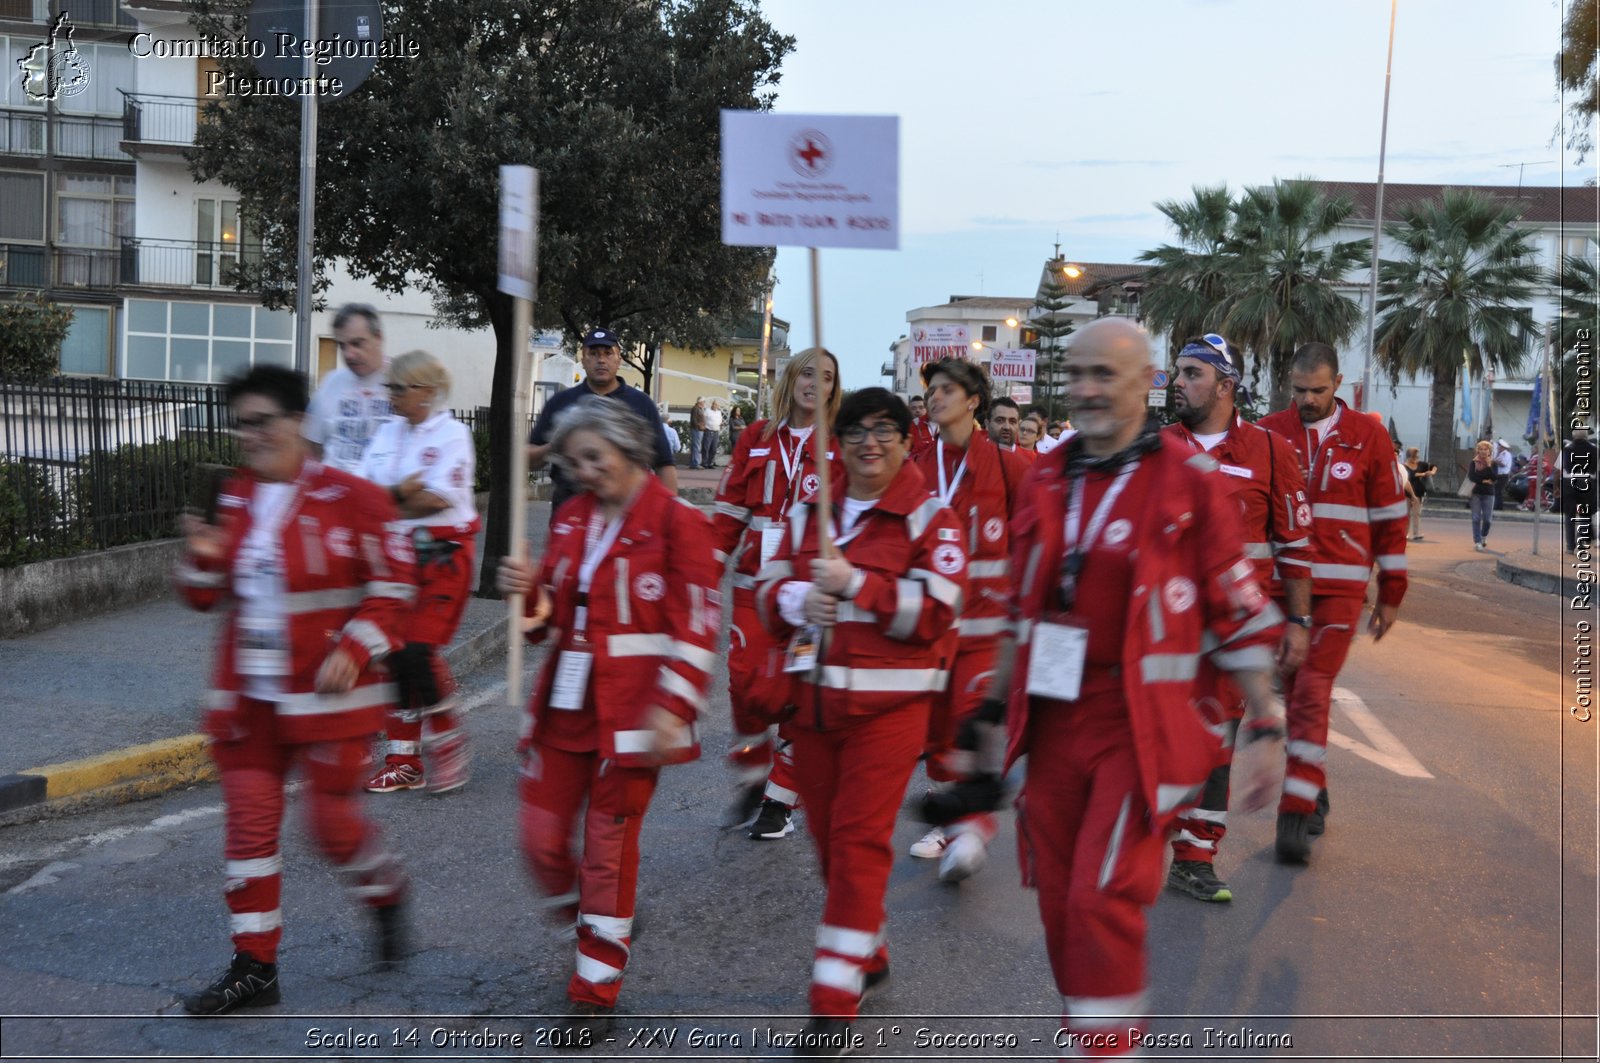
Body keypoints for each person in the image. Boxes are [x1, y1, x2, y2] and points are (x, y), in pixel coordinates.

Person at [1002, 318, 1284, 1055]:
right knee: (1062, 905)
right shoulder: (1044, 474)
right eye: (1080, 373)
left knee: (1102, 897)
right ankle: (1094, 1029)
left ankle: (1107, 1048)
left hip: (1140, 729)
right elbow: (1015, 606)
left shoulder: (1187, 480)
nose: (1090, 389)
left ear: (1145, 382)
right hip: (1053, 723)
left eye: (1108, 375)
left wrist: (1269, 723)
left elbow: (1239, 606)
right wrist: (980, 721)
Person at [174, 365, 415, 1015]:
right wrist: (199, 554)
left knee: (331, 825)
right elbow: (201, 597)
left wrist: (356, 646)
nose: (250, 436)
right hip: (249, 699)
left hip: (329, 697)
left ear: (300, 422)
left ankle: (384, 890)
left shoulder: (354, 496)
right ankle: (255, 967)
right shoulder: (235, 497)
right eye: (241, 424)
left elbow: (395, 584)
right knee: (249, 829)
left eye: (263, 421)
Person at [497, 397, 720, 1030]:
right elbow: (546, 623)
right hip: (566, 705)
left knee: (607, 851)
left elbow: (697, 631)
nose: (584, 471)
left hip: (637, 713)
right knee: (541, 842)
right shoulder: (569, 517)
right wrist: (527, 594)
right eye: (573, 462)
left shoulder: (681, 524)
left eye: (594, 458)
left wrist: (672, 709)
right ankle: (602, 920)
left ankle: (595, 987)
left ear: (631, 449)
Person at [755, 388, 966, 1050]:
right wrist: (793, 598)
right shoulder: (811, 508)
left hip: (890, 711)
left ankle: (832, 1000)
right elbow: (765, 586)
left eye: (884, 430)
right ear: (838, 440)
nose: (869, 442)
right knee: (827, 847)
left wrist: (857, 587)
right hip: (813, 708)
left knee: (856, 845)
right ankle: (867, 951)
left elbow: (937, 610)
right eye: (855, 431)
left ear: (909, 440)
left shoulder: (932, 516)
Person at [1163, 333, 1313, 903]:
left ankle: (1195, 856)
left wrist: (1298, 623)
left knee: (1216, 741)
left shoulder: (1271, 452)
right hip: (1163, 632)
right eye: (1177, 372)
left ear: (1225, 386)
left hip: (1229, 633)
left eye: (1192, 374)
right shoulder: (1157, 449)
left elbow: (1295, 546)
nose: (1178, 383)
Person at [1258, 342, 1408, 863]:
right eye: (1298, 390)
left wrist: (1391, 595)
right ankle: (1313, 782)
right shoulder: (1268, 431)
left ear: (1337, 383)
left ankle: (1296, 806)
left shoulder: (1368, 436)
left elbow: (1390, 519)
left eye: (1318, 390)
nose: (1307, 400)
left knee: (1312, 690)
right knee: (1296, 689)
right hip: (1282, 589)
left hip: (1341, 592)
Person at [710, 348, 844, 840]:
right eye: (807, 373)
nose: (815, 383)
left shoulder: (842, 446)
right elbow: (727, 515)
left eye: (826, 377)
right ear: (791, 378)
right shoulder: (756, 438)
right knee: (747, 689)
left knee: (801, 696)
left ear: (834, 388)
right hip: (755, 589)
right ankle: (753, 769)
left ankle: (780, 799)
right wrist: (704, 573)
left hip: (810, 598)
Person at [907, 357, 1031, 881]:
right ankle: (951, 818)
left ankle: (973, 824)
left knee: (972, 725)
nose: (935, 398)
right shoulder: (911, 464)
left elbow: (1035, 541)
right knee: (937, 733)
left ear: (973, 400)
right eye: (931, 390)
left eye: (945, 390)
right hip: (929, 629)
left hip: (986, 629)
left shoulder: (1010, 466)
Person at [357, 351, 479, 795]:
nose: (390, 395)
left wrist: (390, 498)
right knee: (390, 654)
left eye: (398, 388)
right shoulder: (388, 432)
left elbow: (437, 499)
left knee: (415, 651)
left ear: (425, 392)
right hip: (396, 554)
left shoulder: (452, 434)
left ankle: (447, 744)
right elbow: (363, 490)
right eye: (389, 387)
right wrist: (398, 494)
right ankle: (404, 760)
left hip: (442, 556)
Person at [527, 328, 678, 518]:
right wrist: (554, 445)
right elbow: (527, 460)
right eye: (593, 353)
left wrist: (669, 517)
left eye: (608, 353)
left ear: (619, 359)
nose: (601, 360)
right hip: (570, 518)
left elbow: (664, 464)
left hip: (627, 520)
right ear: (583, 360)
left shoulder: (641, 403)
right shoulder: (560, 402)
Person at [303, 303, 391, 474]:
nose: (348, 354)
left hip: (386, 495)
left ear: (378, 338)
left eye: (357, 344)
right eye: (342, 346)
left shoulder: (406, 382)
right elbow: (313, 443)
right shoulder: (331, 383)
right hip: (337, 492)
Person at [1560, 424, 1596, 552]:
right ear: (1586, 436)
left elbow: (1559, 469)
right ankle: (1581, 542)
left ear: (1573, 436)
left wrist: (1556, 487)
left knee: (1569, 515)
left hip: (1570, 482)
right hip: (1588, 482)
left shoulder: (1567, 448)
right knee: (1585, 514)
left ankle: (1570, 546)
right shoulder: (1595, 449)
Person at [1467, 440, 1498, 551]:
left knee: (1487, 519)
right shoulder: (1474, 462)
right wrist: (1485, 480)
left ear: (1489, 451)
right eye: (1481, 449)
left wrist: (1489, 466)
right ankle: (1478, 541)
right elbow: (1472, 477)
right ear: (1478, 451)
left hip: (1489, 494)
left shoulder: (1493, 464)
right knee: (1476, 518)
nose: (1483, 451)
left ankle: (1483, 535)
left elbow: (1494, 478)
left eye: (1486, 449)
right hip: (1476, 493)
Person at [1403, 446, 1435, 541]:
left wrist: (1432, 472)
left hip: (1418, 493)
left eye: (1417, 456)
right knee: (1406, 514)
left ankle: (1416, 534)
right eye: (1414, 457)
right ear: (1409, 457)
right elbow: (1411, 476)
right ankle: (1405, 534)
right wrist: (1423, 474)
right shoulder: (1404, 466)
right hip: (1406, 494)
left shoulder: (1421, 464)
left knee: (1416, 514)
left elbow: (1433, 465)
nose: (1416, 459)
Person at [906, 394, 936, 460]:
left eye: (921, 407)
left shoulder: (942, 423)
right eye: (913, 408)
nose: (917, 410)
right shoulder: (909, 427)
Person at [702, 400, 725, 468]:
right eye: (715, 404)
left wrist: (721, 424)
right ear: (712, 404)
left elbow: (720, 420)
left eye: (717, 405)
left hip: (716, 431)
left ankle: (710, 463)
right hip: (708, 430)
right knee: (706, 447)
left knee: (714, 448)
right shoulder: (707, 410)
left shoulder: (719, 412)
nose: (716, 406)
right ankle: (705, 463)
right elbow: (703, 419)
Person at [1492, 438, 1514, 510]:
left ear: (1502, 447)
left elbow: (1503, 464)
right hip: (1499, 475)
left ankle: (1498, 506)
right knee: (1497, 491)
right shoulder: (1501, 454)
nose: (1498, 447)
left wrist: (1495, 461)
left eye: (1499, 446)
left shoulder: (1506, 454)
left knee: (1497, 491)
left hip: (1503, 475)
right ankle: (1497, 506)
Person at [689, 398, 709, 469]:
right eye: (703, 401)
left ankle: (693, 463)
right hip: (697, 429)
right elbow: (694, 420)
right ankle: (695, 463)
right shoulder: (696, 409)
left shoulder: (699, 409)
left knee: (696, 446)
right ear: (700, 402)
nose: (704, 403)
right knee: (697, 446)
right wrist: (700, 426)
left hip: (699, 429)